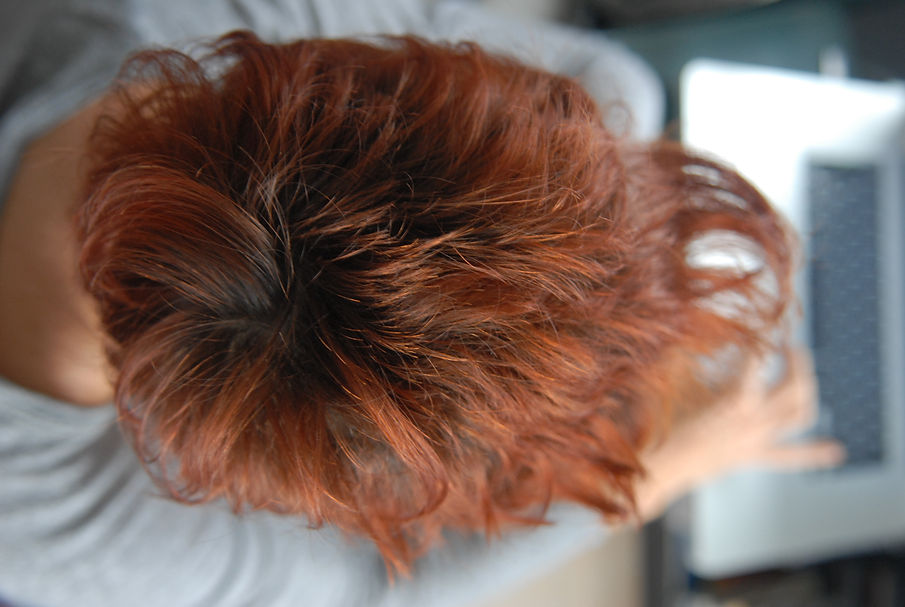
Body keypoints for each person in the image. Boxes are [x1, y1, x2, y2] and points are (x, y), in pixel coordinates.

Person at [0, 2, 843, 606]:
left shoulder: (260, 35)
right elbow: (375, 585)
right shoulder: (47, 522)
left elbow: (601, 76)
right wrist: (656, 477)